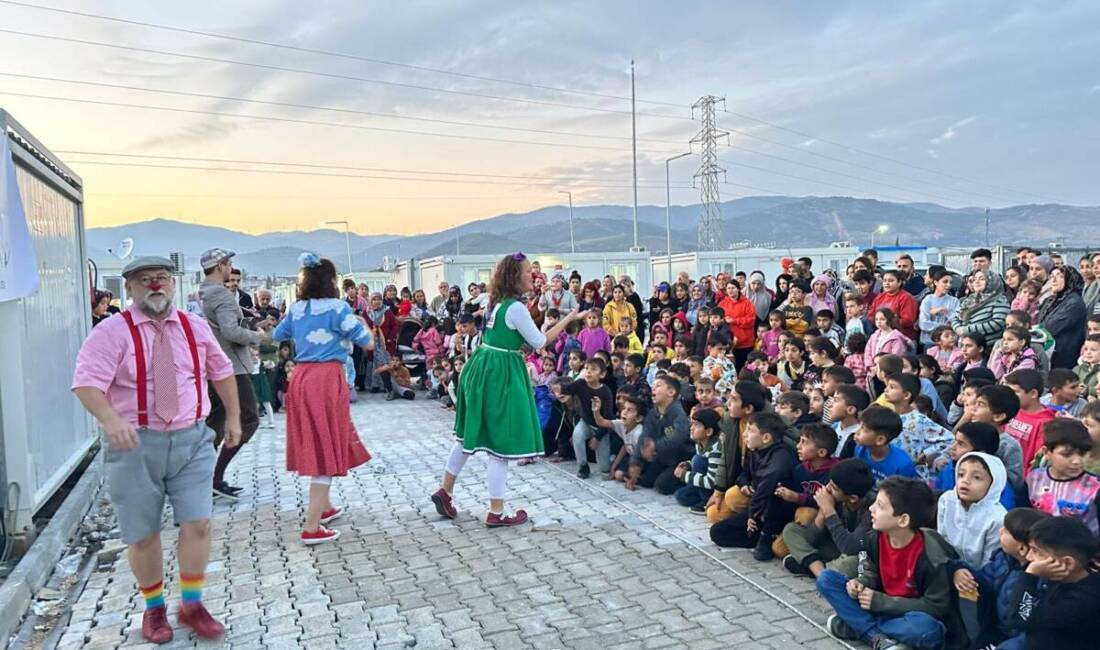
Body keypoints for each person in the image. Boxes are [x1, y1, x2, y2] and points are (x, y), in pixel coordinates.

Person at [72, 256, 241, 643]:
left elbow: (221, 371)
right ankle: (154, 609)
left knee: (198, 522)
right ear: (129, 288)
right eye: (145, 280)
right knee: (143, 533)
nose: (155, 286)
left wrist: (232, 419)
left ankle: (192, 605)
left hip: (192, 439)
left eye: (162, 278)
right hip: (135, 444)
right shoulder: (112, 332)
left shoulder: (193, 326)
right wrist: (112, 421)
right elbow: (86, 383)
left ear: (173, 284)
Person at [430, 253, 584, 527]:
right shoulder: (514, 308)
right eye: (527, 272)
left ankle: (446, 489)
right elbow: (538, 341)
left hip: (482, 366)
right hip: (500, 372)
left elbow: (516, 338)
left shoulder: (496, 303)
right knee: (499, 444)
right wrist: (570, 317)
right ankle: (496, 512)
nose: (532, 276)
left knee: (469, 435)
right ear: (515, 277)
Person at [273, 254, 374, 544]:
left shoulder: (297, 308)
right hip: (327, 379)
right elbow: (365, 341)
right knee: (325, 447)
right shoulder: (338, 308)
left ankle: (326, 508)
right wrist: (357, 323)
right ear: (330, 281)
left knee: (316, 440)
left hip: (302, 377)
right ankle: (312, 526)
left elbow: (279, 333)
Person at [817, 477, 964, 650]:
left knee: (927, 630)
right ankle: (875, 637)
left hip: (910, 614)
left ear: (903, 520)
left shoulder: (932, 554)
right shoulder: (874, 537)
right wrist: (860, 583)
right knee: (826, 579)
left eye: (880, 506)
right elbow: (867, 567)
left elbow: (936, 606)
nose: (871, 509)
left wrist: (881, 602)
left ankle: (857, 626)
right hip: (879, 606)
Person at [198, 248, 267, 501]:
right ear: (220, 266)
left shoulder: (204, 292)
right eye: (229, 263)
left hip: (215, 365)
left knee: (214, 422)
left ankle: (200, 479)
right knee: (248, 419)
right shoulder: (222, 295)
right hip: (232, 368)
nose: (231, 267)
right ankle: (214, 478)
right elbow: (230, 331)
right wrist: (256, 337)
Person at [949, 508, 1049, 650]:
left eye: (1007, 531)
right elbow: (984, 580)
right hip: (995, 630)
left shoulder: (1041, 580)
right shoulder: (1003, 559)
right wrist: (959, 570)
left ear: (1022, 548)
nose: (1001, 531)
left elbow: (1026, 622)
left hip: (1020, 641)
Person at [709, 412, 799, 560]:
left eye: (750, 431)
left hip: (777, 511)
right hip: (759, 509)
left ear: (766, 438)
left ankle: (767, 537)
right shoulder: (756, 451)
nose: (745, 435)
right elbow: (744, 475)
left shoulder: (781, 457)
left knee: (774, 498)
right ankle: (758, 536)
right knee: (718, 532)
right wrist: (744, 484)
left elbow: (767, 488)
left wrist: (753, 515)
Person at [1004, 516, 1100, 650]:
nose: (1029, 556)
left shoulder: (1083, 601)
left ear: (1067, 563)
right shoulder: (1057, 577)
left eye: (1036, 551)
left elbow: (1018, 619)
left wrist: (1030, 575)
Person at [781, 458, 875, 578]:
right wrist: (823, 511)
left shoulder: (872, 509)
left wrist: (829, 510)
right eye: (829, 483)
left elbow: (851, 548)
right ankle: (822, 573)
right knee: (791, 530)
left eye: (834, 488)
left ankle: (813, 567)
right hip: (835, 548)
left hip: (857, 554)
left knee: (853, 563)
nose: (828, 489)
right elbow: (812, 537)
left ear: (853, 498)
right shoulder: (835, 497)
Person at [1025, 417, 1100, 536]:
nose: (1076, 461)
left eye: (1082, 454)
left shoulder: (1095, 487)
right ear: (1046, 452)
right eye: (1067, 455)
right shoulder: (1033, 479)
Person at [937, 452, 1007, 567]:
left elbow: (989, 563)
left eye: (977, 478)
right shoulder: (947, 500)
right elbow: (941, 543)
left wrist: (969, 577)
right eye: (961, 474)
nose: (965, 481)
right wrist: (954, 570)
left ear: (993, 484)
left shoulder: (998, 518)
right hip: (947, 568)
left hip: (979, 578)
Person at [554, 358, 615, 479]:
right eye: (586, 368)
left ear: (602, 374)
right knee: (577, 434)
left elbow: (609, 417)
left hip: (601, 427)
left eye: (593, 369)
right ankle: (583, 466)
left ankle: (612, 458)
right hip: (586, 423)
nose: (588, 372)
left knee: (604, 469)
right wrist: (556, 387)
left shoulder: (606, 391)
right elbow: (566, 388)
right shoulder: (580, 384)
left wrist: (597, 437)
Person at [630, 375, 691, 492]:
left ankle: (687, 478)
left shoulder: (677, 412)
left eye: (658, 385)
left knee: (661, 486)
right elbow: (644, 437)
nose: (653, 388)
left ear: (671, 392)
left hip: (679, 459)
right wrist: (635, 463)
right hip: (662, 457)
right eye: (653, 386)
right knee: (645, 481)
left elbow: (679, 437)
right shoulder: (653, 413)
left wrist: (655, 445)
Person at [671, 408, 723, 511]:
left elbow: (712, 481)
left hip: (715, 487)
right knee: (681, 495)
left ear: (708, 431)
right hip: (705, 483)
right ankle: (702, 498)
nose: (691, 428)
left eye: (697, 425)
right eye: (692, 424)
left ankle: (705, 502)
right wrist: (688, 465)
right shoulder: (700, 443)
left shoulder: (716, 449)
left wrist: (684, 475)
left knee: (698, 460)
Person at [1037, 265, 1088, 369]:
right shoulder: (1049, 301)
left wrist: (1036, 330)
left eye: (1059, 276)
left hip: (1064, 356)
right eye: (1051, 276)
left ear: (1069, 279)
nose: (1054, 280)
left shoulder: (1074, 303)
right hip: (1050, 352)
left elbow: (1050, 327)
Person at [852, 406, 918, 484]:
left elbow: (904, 493)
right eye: (859, 426)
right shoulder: (860, 449)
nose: (857, 432)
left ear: (880, 440)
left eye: (864, 429)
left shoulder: (903, 465)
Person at [952, 270, 1010, 347]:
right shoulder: (969, 300)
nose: (977, 281)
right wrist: (958, 328)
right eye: (974, 279)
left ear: (992, 281)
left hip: (987, 347)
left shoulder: (999, 300)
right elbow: (955, 318)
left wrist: (966, 330)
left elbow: (997, 323)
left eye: (982, 279)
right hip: (965, 346)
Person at [719, 280, 757, 368]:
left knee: (744, 368)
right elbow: (717, 319)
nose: (730, 290)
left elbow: (751, 321)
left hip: (745, 343)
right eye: (728, 288)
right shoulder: (722, 304)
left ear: (738, 289)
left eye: (733, 288)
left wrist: (734, 321)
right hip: (728, 343)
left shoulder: (747, 303)